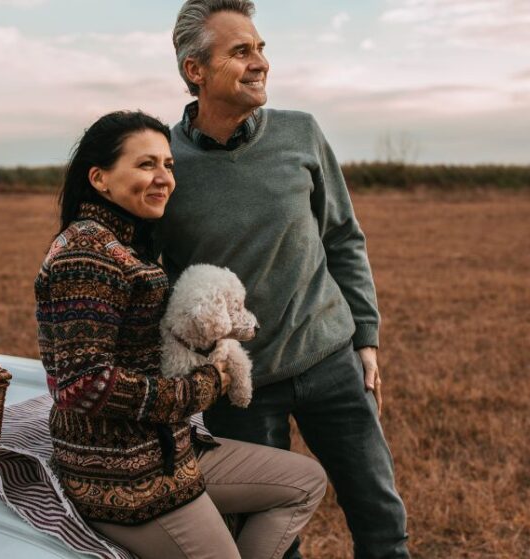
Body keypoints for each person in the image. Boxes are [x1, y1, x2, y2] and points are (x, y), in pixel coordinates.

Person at [156, 2, 411, 558]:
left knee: (380, 519)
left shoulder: (301, 133)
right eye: (241, 51)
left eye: (261, 48)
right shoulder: (167, 164)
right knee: (266, 539)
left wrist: (365, 338)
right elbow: (159, 281)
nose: (260, 63)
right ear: (194, 71)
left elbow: (342, 237)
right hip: (240, 387)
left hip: (330, 361)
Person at [35, 110, 327, 559]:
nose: (164, 178)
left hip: (167, 448)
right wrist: (205, 386)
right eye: (145, 164)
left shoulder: (123, 242)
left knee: (304, 482)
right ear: (100, 178)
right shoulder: (87, 254)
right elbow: (83, 384)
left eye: (168, 165)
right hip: (122, 474)